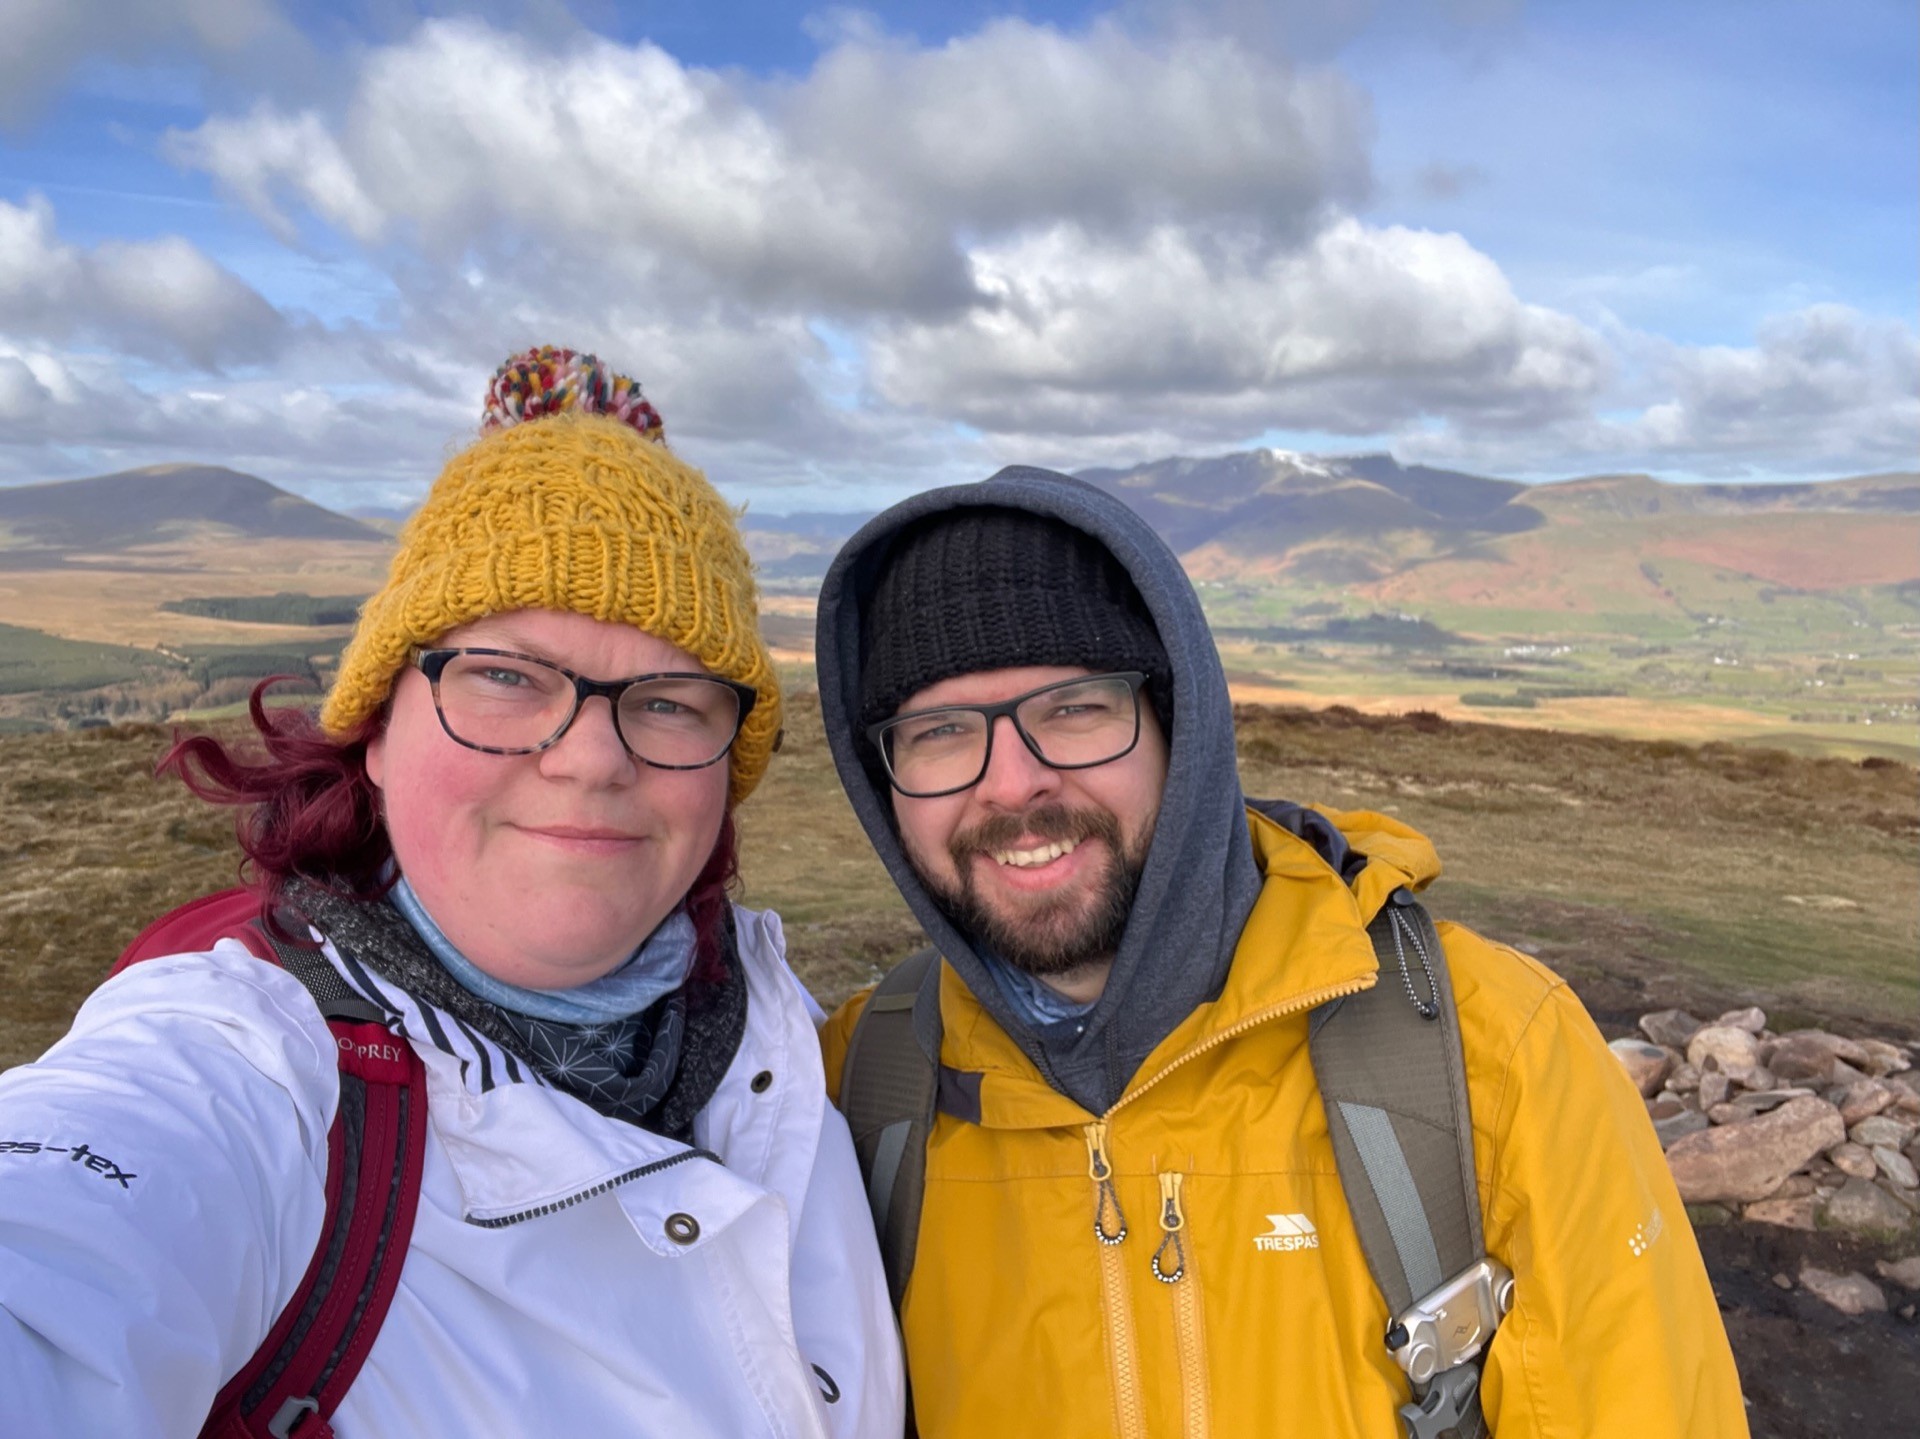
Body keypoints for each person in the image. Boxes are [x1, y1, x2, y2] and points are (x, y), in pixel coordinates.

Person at [0, 348, 903, 1438]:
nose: (589, 759)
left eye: (666, 699)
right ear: (378, 727)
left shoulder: (815, 1056)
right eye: (509, 676)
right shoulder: (248, 1080)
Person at [814, 466, 1747, 1437]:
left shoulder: (1494, 1056)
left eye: (1075, 707)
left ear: (1185, 729)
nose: (1011, 782)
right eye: (937, 731)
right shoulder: (855, 1090)